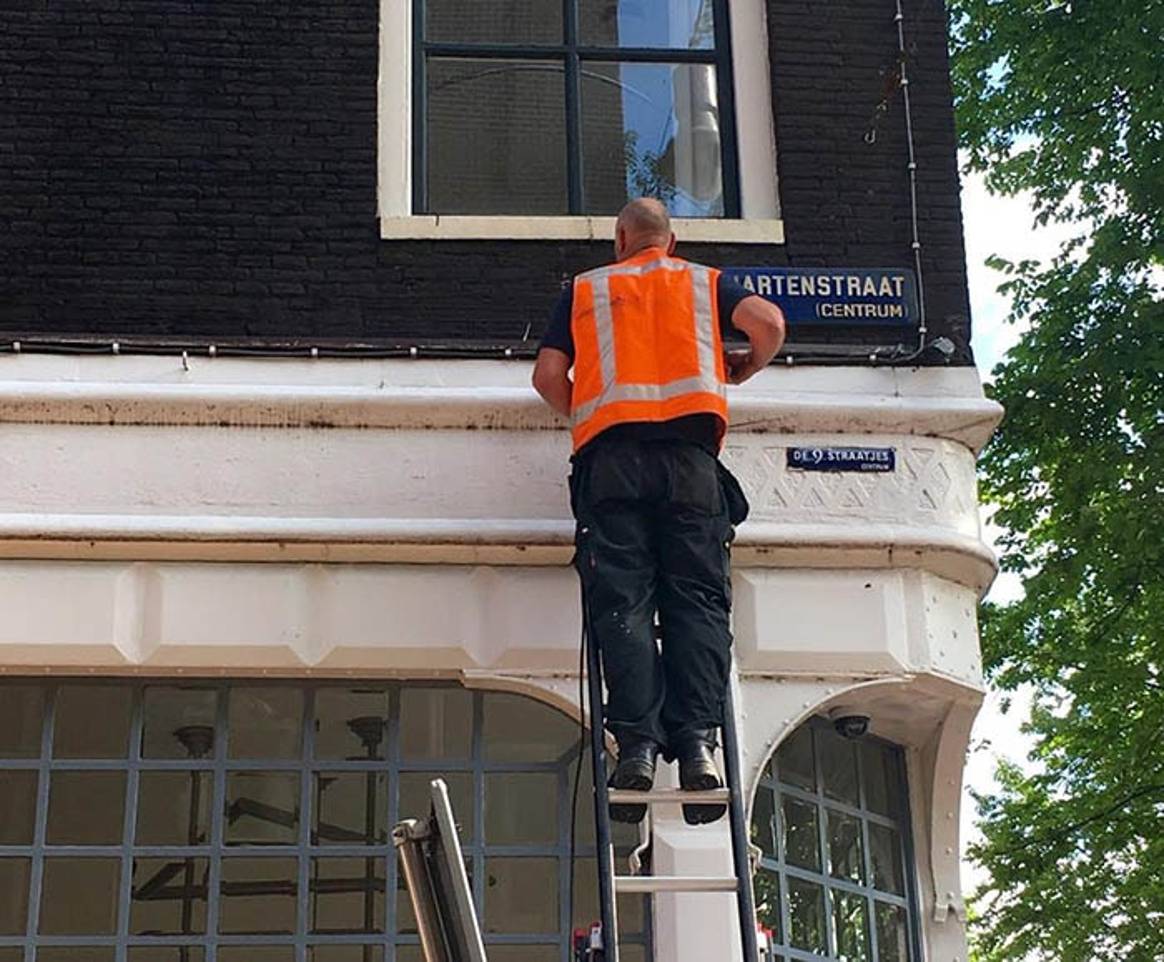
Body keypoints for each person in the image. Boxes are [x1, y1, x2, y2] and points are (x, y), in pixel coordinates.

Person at [532, 198, 785, 824]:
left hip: (612, 465)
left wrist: (590, 418)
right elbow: (770, 323)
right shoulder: (706, 282)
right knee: (697, 602)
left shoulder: (587, 291)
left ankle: (638, 747)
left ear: (621, 239)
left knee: (623, 603)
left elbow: (546, 376)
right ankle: (698, 744)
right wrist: (747, 367)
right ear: (670, 241)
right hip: (690, 467)